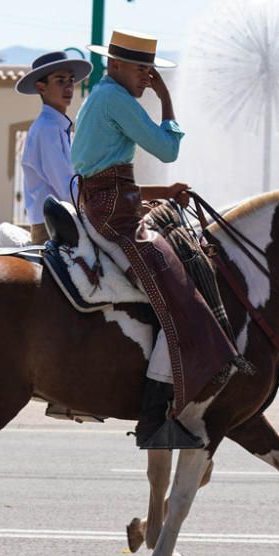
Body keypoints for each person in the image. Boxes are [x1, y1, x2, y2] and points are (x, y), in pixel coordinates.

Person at [71, 30, 237, 449]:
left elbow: (107, 173)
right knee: (177, 292)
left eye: (152, 71)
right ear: (117, 65)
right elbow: (166, 151)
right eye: (143, 70)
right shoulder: (116, 100)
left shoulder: (102, 97)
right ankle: (153, 416)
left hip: (110, 205)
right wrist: (166, 101)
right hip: (117, 216)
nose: (148, 77)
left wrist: (162, 194)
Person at [15, 51, 92, 244]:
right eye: (60, 81)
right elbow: (67, 189)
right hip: (53, 228)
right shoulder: (48, 129)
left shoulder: (56, 127)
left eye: (70, 80)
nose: (68, 87)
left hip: (61, 222)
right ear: (41, 87)